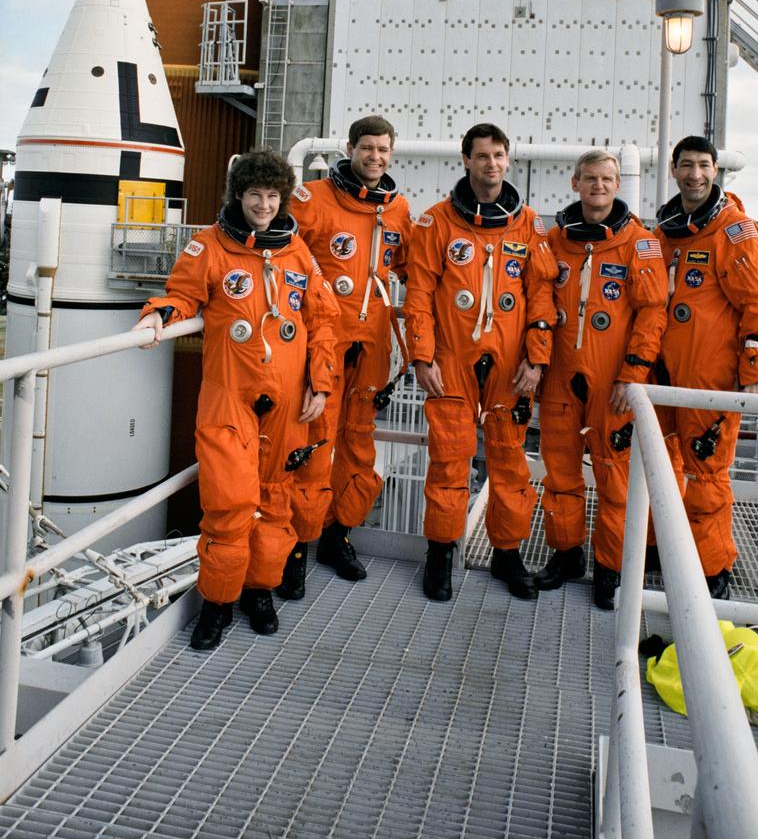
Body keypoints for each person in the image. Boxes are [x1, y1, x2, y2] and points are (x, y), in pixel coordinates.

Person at [134, 148, 339, 649]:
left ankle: (259, 591)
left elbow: (324, 320)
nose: (264, 205)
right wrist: (156, 315)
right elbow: (181, 295)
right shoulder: (210, 247)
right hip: (230, 398)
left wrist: (322, 381)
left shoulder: (297, 253)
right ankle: (218, 604)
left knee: (275, 503)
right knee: (228, 504)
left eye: (272, 196)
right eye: (255, 195)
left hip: (289, 399)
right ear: (239, 196)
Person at [405, 123, 557, 602]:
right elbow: (419, 295)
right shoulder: (436, 223)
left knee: (510, 461)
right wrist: (421, 356)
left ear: (507, 159)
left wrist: (537, 359)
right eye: (482, 156)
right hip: (450, 360)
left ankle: (507, 554)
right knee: (449, 460)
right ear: (465, 160)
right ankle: (440, 554)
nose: (491, 165)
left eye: (498, 156)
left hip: (512, 365)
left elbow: (541, 297)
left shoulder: (529, 224)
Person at [278, 115, 412, 598]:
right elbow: (279, 258)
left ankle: (339, 536)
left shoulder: (397, 210)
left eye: (383, 149)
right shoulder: (313, 200)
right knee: (312, 446)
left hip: (372, 345)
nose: (375, 157)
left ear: (391, 155)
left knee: (358, 445)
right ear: (350, 149)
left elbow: (410, 270)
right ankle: (294, 549)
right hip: (321, 345)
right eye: (367, 148)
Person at [535, 150, 668, 610]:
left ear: (618, 185)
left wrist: (632, 374)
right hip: (559, 376)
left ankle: (609, 568)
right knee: (560, 472)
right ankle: (567, 555)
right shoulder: (554, 240)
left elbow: (653, 314)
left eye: (607, 178)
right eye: (590, 178)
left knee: (615, 481)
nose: (598, 186)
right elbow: (535, 302)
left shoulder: (640, 243)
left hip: (613, 379)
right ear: (575, 183)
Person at [656, 135, 758, 599]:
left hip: (709, 374)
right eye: (686, 165)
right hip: (664, 369)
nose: (695, 174)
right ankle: (662, 548)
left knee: (706, 476)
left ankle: (712, 572)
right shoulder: (667, 231)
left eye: (704, 165)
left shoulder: (733, 230)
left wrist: (754, 373)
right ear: (674, 170)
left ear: (715, 171)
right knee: (660, 464)